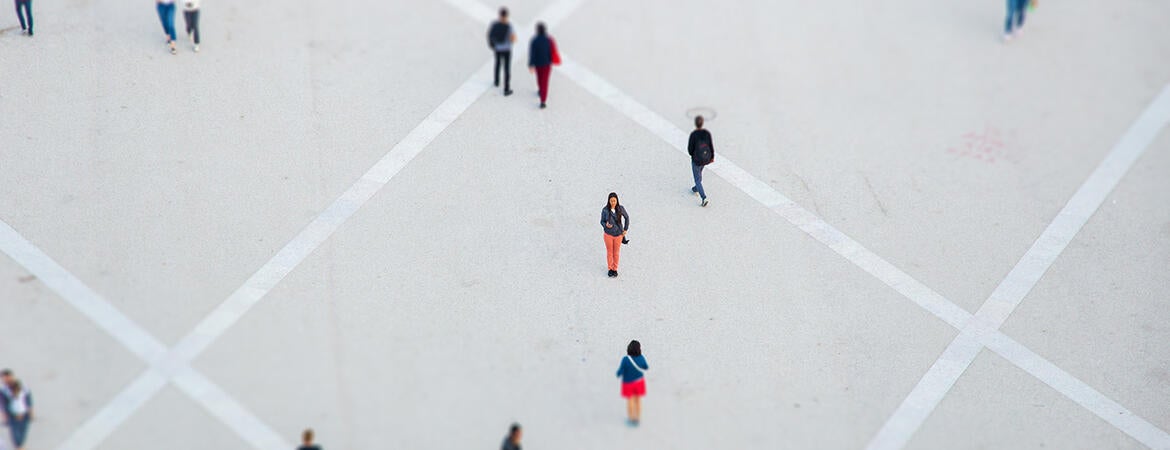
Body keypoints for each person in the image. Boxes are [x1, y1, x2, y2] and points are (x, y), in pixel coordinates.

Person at [615, 340, 648, 426]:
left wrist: (618, 374)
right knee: (638, 400)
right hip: (639, 382)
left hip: (628, 382)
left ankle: (631, 418)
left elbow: (621, 370)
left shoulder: (625, 359)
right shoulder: (641, 357)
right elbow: (645, 367)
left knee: (630, 400)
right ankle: (637, 417)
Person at [527, 22, 557, 109]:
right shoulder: (549, 40)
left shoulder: (534, 41)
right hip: (547, 63)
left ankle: (540, 90)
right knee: (545, 81)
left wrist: (531, 64)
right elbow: (552, 51)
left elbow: (532, 54)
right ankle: (543, 101)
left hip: (538, 64)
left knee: (539, 78)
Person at [487, 7, 516, 96]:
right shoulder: (509, 26)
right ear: (506, 16)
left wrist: (493, 45)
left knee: (497, 64)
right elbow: (513, 39)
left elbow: (490, 35)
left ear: (499, 15)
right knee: (507, 68)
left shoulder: (494, 24)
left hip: (497, 49)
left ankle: (496, 81)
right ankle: (506, 89)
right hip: (507, 49)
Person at [1, 371, 33, 450]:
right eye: (4, 379)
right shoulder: (4, 391)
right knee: (17, 440)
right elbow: (3, 405)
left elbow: (28, 401)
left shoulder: (24, 388)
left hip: (24, 415)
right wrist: (5, 415)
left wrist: (31, 412)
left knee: (20, 439)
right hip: (13, 416)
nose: (6, 380)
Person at [687, 115, 714, 207]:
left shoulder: (693, 135)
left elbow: (690, 149)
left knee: (697, 179)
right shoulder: (707, 133)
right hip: (705, 159)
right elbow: (711, 146)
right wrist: (711, 157)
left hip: (696, 160)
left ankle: (704, 198)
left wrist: (692, 156)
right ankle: (695, 188)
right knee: (699, 174)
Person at [600, 192, 629, 278]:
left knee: (616, 252)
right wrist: (606, 225)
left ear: (617, 200)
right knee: (609, 252)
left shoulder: (620, 208)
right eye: (611, 201)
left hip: (618, 235)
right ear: (608, 201)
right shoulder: (605, 210)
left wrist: (625, 229)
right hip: (608, 234)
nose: (613, 202)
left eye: (614, 201)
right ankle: (610, 269)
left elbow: (627, 217)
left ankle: (615, 269)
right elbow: (601, 221)